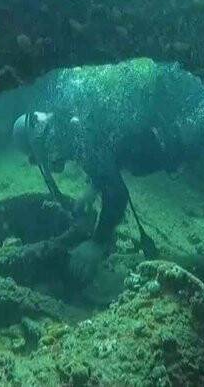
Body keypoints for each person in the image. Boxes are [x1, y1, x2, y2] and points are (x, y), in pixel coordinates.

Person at [12, 110, 184, 282]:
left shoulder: (78, 135)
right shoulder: (74, 128)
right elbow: (109, 152)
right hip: (167, 136)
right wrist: (94, 186)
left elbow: (117, 193)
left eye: (44, 153)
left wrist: (97, 243)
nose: (52, 158)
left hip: (178, 137)